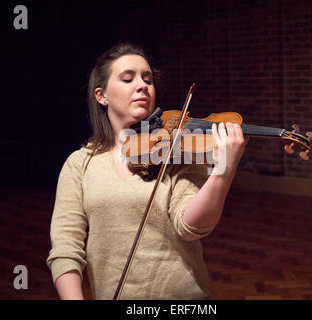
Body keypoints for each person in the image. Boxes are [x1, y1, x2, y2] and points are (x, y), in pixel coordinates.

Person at [46, 42, 248, 300]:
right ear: (101, 96)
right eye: (128, 79)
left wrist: (223, 170)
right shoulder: (80, 164)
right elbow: (66, 247)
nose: (142, 85)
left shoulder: (176, 150)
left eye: (148, 79)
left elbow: (191, 226)